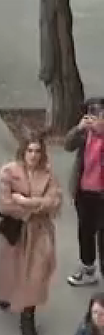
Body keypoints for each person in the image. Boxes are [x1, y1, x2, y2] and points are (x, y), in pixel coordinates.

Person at [0, 135, 62, 335]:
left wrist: (26, 202)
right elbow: (5, 203)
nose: (33, 155)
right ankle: (4, 292)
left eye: (37, 151)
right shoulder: (9, 172)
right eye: (30, 151)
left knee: (36, 274)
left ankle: (28, 316)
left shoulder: (48, 175)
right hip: (14, 229)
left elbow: (55, 202)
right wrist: (36, 206)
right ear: (23, 152)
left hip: (40, 232)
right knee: (10, 269)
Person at [67, 99, 104, 286]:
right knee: (85, 231)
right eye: (91, 114)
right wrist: (78, 129)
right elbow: (68, 145)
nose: (94, 119)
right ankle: (88, 270)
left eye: (98, 115)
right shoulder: (85, 133)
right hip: (84, 191)